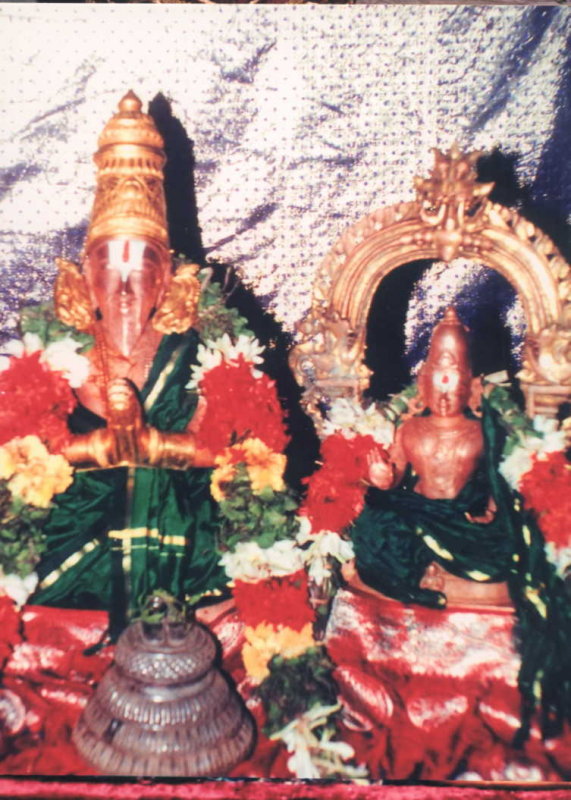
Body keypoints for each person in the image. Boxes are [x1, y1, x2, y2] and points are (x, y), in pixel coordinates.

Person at [32, 93, 227, 638]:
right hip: (82, 514)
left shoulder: (201, 346)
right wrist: (94, 450)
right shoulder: (55, 347)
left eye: (139, 270)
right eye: (105, 268)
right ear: (82, 278)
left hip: (180, 515)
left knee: (214, 540)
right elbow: (17, 457)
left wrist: (155, 448)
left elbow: (245, 453)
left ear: (167, 279)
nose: (121, 290)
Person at [350, 306, 571, 741]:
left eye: (455, 382)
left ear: (472, 386)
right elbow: (394, 472)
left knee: (510, 558)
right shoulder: (411, 429)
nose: (446, 392)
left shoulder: (482, 431)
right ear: (424, 381)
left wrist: (489, 508)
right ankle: (421, 579)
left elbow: (495, 483)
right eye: (438, 380)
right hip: (418, 515)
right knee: (375, 532)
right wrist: (382, 477)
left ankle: (447, 581)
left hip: (464, 522)